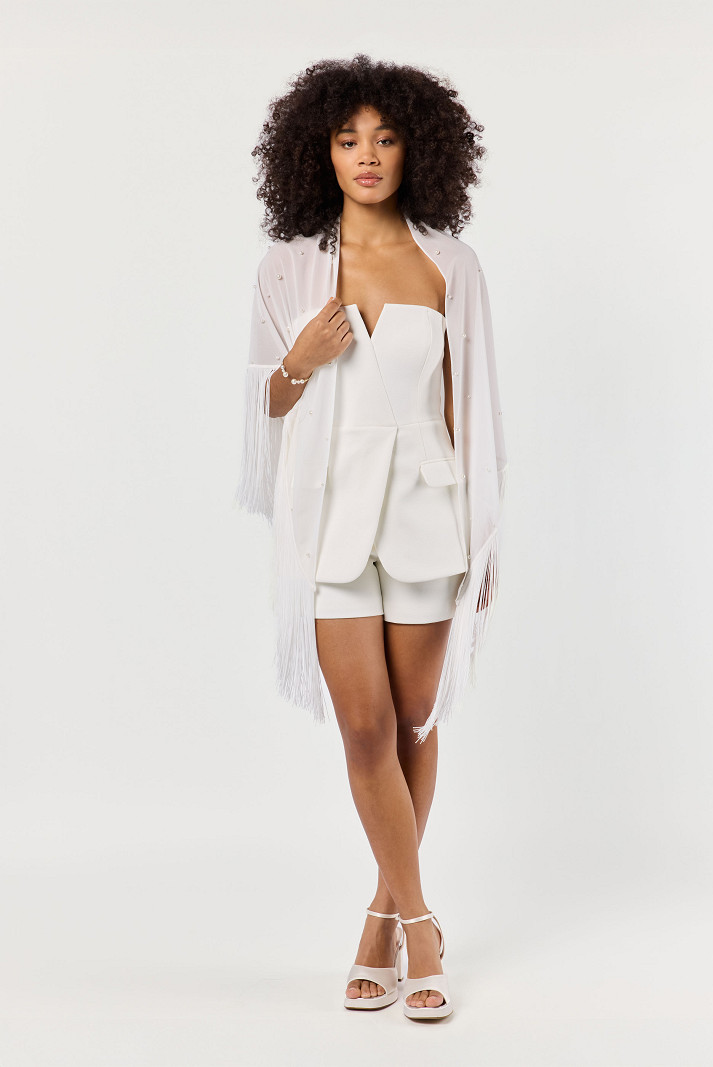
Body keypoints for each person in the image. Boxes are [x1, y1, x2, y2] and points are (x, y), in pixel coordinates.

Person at [235, 54, 508, 1021]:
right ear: (318, 151)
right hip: (331, 521)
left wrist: (485, 538)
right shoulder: (287, 266)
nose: (366, 155)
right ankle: (421, 924)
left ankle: (380, 916)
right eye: (348, 139)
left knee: (414, 718)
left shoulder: (451, 265)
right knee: (364, 726)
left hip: (430, 514)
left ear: (416, 149)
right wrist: (299, 361)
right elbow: (261, 405)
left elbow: (473, 408)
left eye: (386, 138)